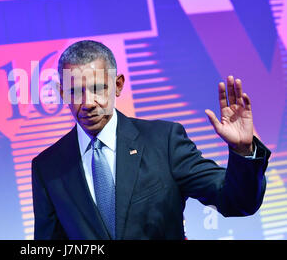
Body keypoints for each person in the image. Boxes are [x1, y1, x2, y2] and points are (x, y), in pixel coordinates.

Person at [31, 40, 270, 240]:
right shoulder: (48, 167)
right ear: (62, 93)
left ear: (117, 85)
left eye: (98, 88)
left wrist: (243, 152)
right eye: (75, 91)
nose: (88, 102)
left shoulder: (164, 141)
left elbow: (237, 201)